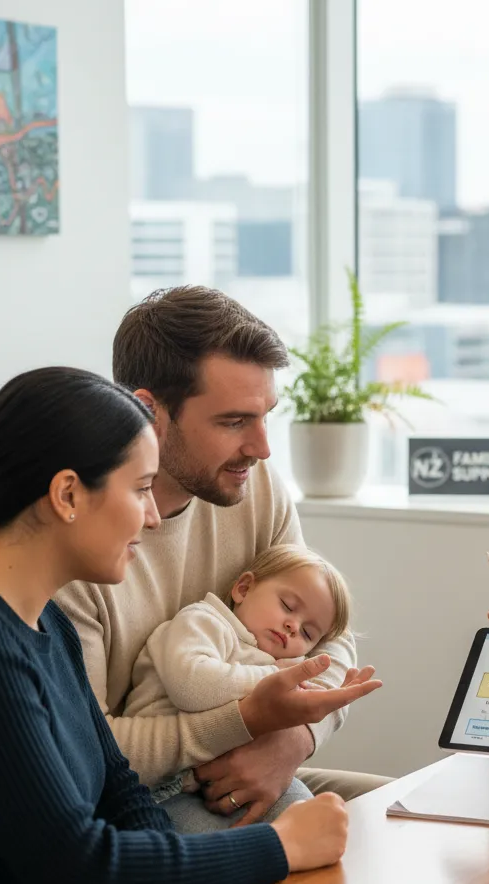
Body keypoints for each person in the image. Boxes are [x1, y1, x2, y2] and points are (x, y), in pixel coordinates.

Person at [0, 367, 380, 884]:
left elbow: (121, 794)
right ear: (68, 495)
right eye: (143, 489)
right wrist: (278, 848)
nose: (155, 518)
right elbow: (83, 868)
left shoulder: (40, 615)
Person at [57, 287, 389, 832]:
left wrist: (293, 740)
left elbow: (331, 640)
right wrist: (248, 721)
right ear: (148, 412)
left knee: (407, 817)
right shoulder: (76, 536)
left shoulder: (255, 488)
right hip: (138, 799)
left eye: (266, 417)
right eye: (234, 422)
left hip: (251, 764)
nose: (262, 449)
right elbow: (86, 748)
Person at [124, 544, 353, 823]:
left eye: (307, 632)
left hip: (228, 779)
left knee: (316, 820)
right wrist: (274, 678)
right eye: (287, 606)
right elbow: (192, 687)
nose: (293, 625)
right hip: (160, 788)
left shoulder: (272, 659)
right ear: (243, 589)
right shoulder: (204, 621)